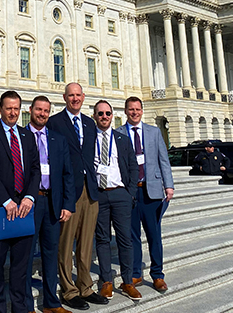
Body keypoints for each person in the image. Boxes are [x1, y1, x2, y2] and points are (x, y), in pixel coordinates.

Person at [0, 90, 41, 313]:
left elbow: (35, 169)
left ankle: (20, 309)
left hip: (24, 209)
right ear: (0, 109)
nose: (13, 112)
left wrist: (29, 197)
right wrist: (6, 200)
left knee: (20, 268)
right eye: (8, 108)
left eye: (16, 108)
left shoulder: (26, 135)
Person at [47, 83, 107, 310]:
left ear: (83, 97)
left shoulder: (90, 123)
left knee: (86, 242)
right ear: (64, 97)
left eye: (78, 95)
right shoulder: (55, 122)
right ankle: (69, 290)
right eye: (71, 95)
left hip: (89, 189)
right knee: (65, 242)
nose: (75, 99)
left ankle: (85, 286)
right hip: (67, 190)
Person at [118, 96, 174, 294]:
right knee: (131, 235)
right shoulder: (118, 133)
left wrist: (169, 185)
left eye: (137, 109)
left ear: (142, 111)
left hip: (151, 190)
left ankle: (157, 275)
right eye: (131, 109)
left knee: (154, 235)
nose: (134, 112)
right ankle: (135, 272)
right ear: (125, 111)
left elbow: (163, 160)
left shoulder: (153, 132)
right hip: (130, 192)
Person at [25, 95, 76, 313]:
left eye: (46, 110)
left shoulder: (57, 138)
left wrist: (67, 204)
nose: (42, 114)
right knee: (25, 255)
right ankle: (26, 305)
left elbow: (67, 174)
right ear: (30, 110)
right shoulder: (21, 135)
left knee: (50, 253)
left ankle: (51, 302)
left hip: (52, 202)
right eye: (38, 110)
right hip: (29, 202)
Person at [92, 100, 141, 302]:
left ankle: (128, 281)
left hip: (120, 193)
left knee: (124, 239)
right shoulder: (88, 139)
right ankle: (106, 281)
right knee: (102, 239)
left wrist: (130, 193)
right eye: (100, 113)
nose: (104, 117)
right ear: (95, 116)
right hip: (99, 194)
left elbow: (132, 167)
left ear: (112, 116)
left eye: (108, 113)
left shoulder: (122, 139)